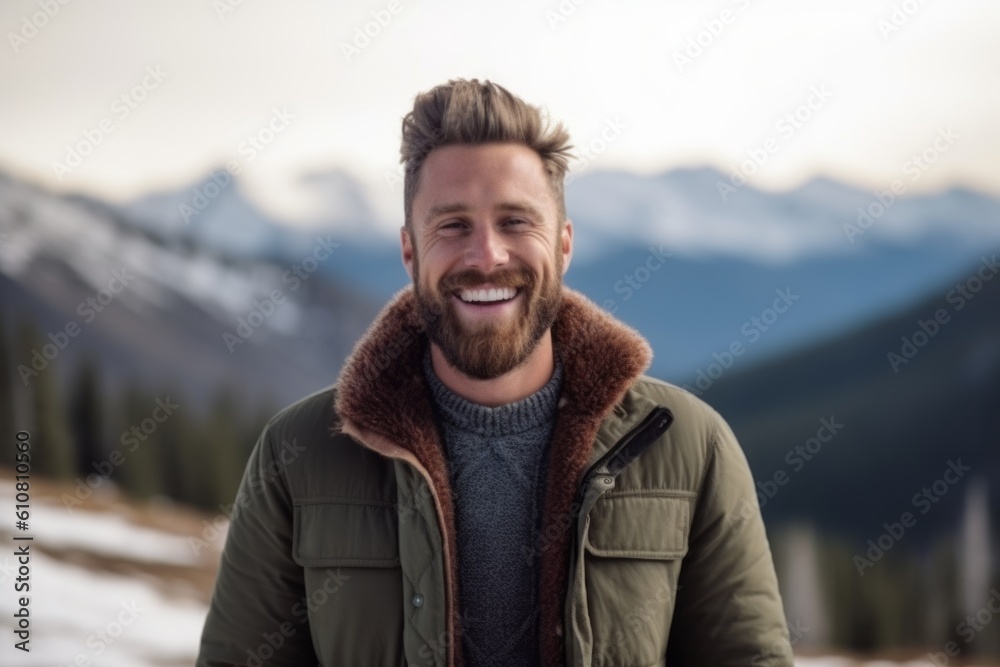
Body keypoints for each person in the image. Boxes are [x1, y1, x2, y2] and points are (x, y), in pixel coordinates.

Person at [196, 78, 792, 667]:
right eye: (452, 225)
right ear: (410, 251)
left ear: (562, 246)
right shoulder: (297, 453)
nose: (486, 256)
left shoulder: (689, 445)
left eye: (515, 222)